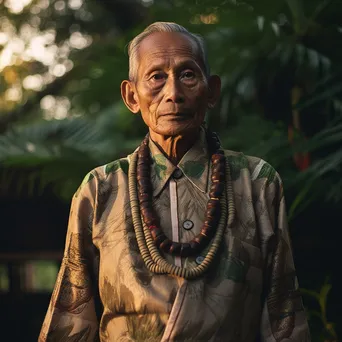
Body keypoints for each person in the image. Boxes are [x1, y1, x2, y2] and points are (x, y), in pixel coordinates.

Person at [39, 22, 311, 341]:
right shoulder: (100, 189)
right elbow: (72, 317)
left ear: (211, 91)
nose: (173, 94)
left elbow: (283, 317)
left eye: (187, 75)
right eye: (156, 77)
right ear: (131, 96)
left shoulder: (255, 182)